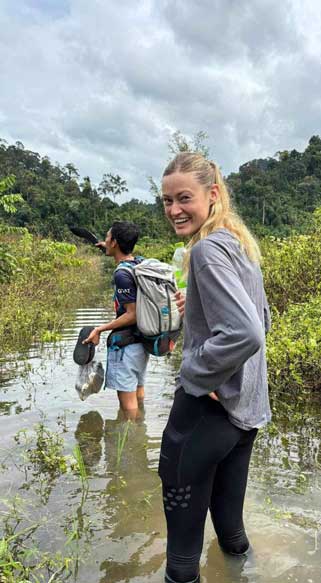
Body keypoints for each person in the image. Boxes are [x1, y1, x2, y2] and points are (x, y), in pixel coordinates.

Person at [158, 152, 271, 583]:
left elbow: (247, 333)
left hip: (206, 417)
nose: (173, 210)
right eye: (167, 201)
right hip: (245, 417)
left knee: (183, 562)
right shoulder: (238, 243)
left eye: (183, 198)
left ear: (212, 194)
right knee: (232, 535)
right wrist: (197, 313)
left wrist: (194, 375)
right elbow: (263, 318)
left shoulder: (206, 249)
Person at [83, 221, 149, 419]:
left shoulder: (121, 274)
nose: (105, 240)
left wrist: (100, 329)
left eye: (108, 237)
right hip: (141, 344)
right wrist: (107, 247)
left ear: (115, 243)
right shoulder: (139, 263)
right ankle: (141, 438)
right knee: (138, 394)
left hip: (125, 347)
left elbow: (132, 314)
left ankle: (129, 443)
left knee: (127, 407)